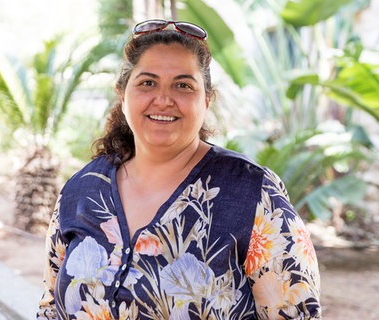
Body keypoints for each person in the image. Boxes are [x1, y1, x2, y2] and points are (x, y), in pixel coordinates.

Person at [37, 19, 321, 319]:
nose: (163, 99)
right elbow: (50, 309)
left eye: (183, 85)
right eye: (148, 82)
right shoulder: (83, 189)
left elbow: (298, 314)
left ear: (207, 100)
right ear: (123, 96)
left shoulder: (252, 192)